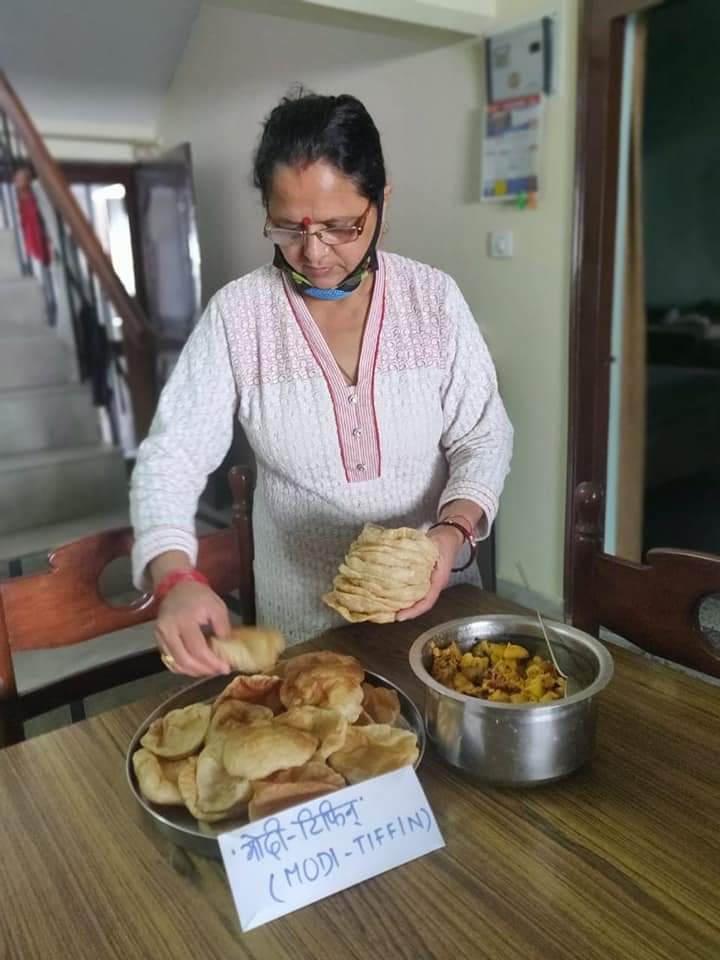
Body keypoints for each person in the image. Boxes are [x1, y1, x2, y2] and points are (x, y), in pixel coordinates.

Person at [130, 91, 513, 676]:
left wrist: (451, 534)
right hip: (308, 631)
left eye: (341, 227)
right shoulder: (241, 316)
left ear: (382, 202)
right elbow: (172, 457)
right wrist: (176, 575)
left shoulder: (432, 300)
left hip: (441, 608)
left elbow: (483, 438)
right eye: (288, 228)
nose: (314, 253)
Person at [13, 163, 56, 323]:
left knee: (50, 281)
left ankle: (51, 311)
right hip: (31, 246)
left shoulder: (38, 197)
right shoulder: (17, 201)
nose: (19, 182)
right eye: (17, 179)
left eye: (23, 179)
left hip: (43, 244)